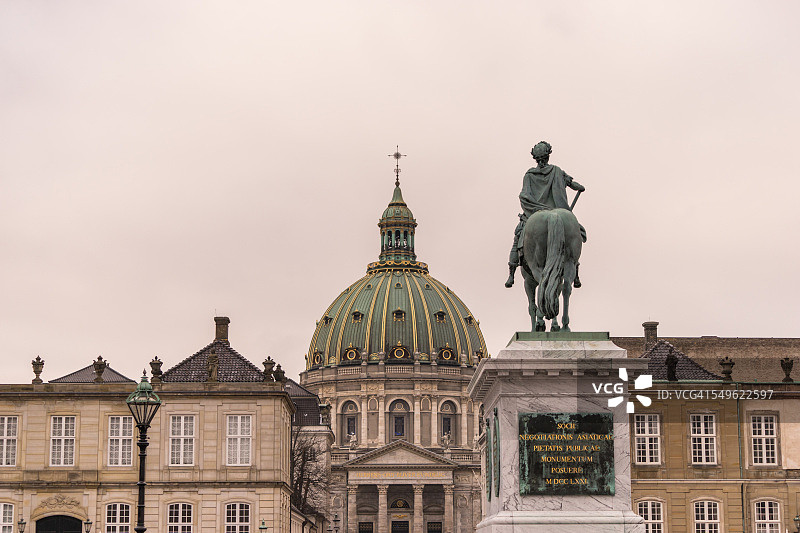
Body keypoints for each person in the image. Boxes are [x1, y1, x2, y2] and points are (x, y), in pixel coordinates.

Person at [505, 141, 586, 288]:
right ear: (548, 156)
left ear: (535, 158)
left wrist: (534, 207)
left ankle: (511, 273)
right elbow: (573, 184)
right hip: (558, 210)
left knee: (518, 237)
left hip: (534, 212)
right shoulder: (556, 171)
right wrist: (579, 187)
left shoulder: (529, 174)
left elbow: (524, 195)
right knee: (573, 234)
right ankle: (576, 273)